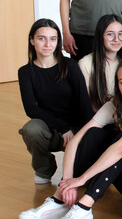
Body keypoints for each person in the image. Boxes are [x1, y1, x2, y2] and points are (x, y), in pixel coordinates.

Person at [19, 57, 122, 219]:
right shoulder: (115, 105)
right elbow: (76, 140)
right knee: (93, 134)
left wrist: (82, 179)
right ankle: (58, 201)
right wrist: (67, 182)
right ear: (117, 84)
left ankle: (83, 207)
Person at [18, 19, 93, 185]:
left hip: (75, 130)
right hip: (51, 129)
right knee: (31, 129)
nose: (47, 44)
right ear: (32, 40)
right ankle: (44, 168)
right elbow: (31, 109)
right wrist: (62, 128)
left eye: (53, 39)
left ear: (58, 41)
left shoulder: (70, 65)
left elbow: (84, 103)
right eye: (41, 38)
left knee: (82, 178)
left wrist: (86, 134)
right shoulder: (25, 72)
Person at [79, 14, 122, 112]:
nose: (116, 39)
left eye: (121, 34)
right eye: (110, 34)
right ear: (100, 36)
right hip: (98, 119)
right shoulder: (86, 64)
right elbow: (86, 104)